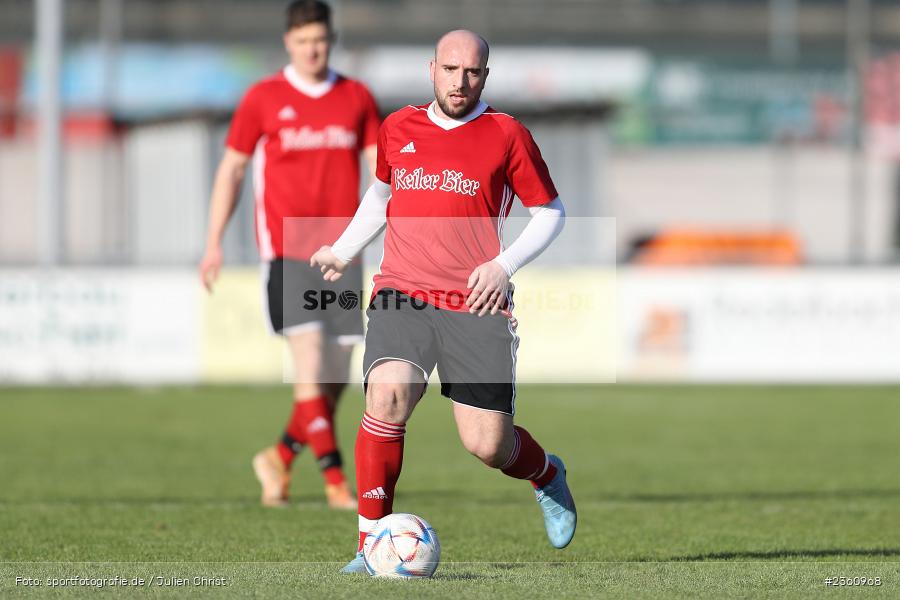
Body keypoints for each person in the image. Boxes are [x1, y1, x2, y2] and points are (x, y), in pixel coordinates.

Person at [310, 29, 576, 573]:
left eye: (473, 72)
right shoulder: (398, 127)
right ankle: (367, 544)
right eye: (451, 70)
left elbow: (550, 213)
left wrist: (504, 267)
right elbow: (382, 195)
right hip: (401, 291)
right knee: (386, 396)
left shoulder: (507, 135)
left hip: (475, 303)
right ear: (432, 69)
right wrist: (342, 249)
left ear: (485, 75)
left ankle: (545, 473)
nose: (461, 81)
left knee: (486, 444)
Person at [199, 0, 380, 510]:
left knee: (337, 377)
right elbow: (232, 170)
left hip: (342, 256)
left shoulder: (356, 97)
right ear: (288, 43)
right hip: (287, 253)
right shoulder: (263, 97)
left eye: (320, 39)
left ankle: (278, 458)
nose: (312, 49)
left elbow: (380, 175)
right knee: (309, 363)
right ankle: (337, 482)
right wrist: (212, 242)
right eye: (303, 41)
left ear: (332, 38)